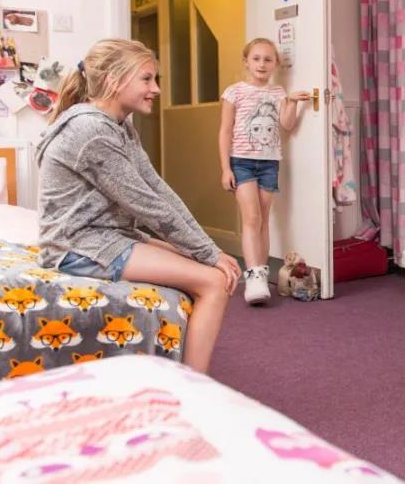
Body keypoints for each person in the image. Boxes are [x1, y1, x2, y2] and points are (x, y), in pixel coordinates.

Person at [37, 38, 241, 373]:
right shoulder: (91, 131)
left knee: (202, 260)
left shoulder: (121, 126)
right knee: (214, 283)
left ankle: (183, 372)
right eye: (146, 79)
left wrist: (207, 248)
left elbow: (157, 189)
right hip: (77, 246)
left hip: (108, 235)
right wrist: (209, 254)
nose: (156, 89)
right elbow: (146, 206)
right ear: (115, 81)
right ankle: (195, 387)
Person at [218, 38, 310, 304]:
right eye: (256, 58)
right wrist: (225, 168)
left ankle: (261, 272)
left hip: (269, 162)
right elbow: (225, 131)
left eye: (268, 59)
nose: (262, 64)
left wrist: (292, 102)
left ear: (275, 64)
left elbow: (287, 124)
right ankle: (254, 276)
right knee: (252, 218)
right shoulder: (234, 92)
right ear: (246, 61)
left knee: (264, 220)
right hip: (241, 161)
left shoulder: (278, 92)